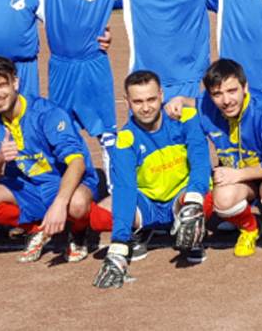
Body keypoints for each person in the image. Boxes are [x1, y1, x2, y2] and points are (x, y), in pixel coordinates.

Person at [0, 55, 99, 264]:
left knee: (76, 204)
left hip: (63, 184)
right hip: (28, 187)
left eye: (1, 85)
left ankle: (77, 232)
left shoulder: (47, 114)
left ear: (15, 82)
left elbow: (77, 163)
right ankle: (36, 230)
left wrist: (59, 203)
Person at [91, 70, 212, 288]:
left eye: (151, 99)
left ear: (162, 95)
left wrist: (193, 200)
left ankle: (192, 234)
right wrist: (119, 244)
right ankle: (138, 233)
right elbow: (125, 189)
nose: (146, 107)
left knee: (206, 198)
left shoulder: (185, 118)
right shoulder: (125, 139)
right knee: (100, 216)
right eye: (138, 101)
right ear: (127, 101)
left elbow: (201, 162)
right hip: (148, 205)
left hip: (180, 199)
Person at [25, 0, 123, 182]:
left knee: (108, 135)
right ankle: (74, 189)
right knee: (61, 132)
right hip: (60, 68)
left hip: (94, 65)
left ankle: (115, 195)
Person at [173, 58, 262, 260]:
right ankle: (250, 228)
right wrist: (180, 100)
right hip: (241, 179)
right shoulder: (207, 107)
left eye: (232, 91)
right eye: (217, 94)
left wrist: (238, 174)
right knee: (222, 198)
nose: (226, 100)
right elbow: (198, 102)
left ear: (245, 87)